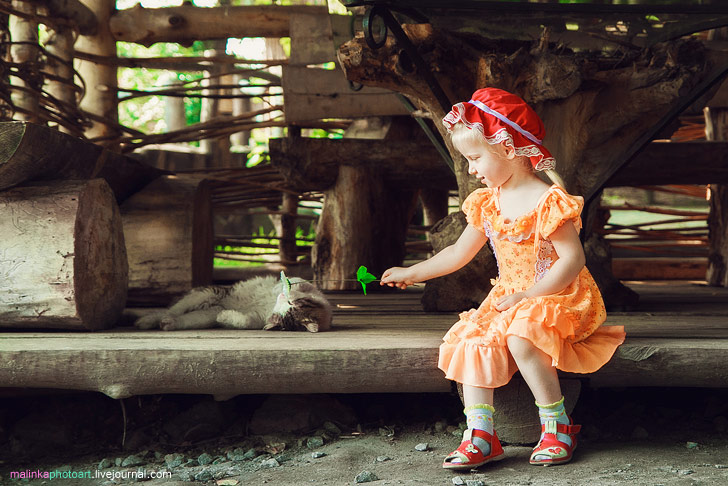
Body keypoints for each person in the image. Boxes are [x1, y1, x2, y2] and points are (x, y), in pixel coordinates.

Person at [380, 88, 626, 469]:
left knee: (520, 333)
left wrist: (530, 295)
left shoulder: (547, 201)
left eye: (475, 158)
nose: (471, 169)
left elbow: (573, 259)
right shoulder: (489, 202)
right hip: (510, 297)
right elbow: (457, 253)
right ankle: (481, 434)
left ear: (508, 148)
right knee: (473, 337)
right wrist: (412, 272)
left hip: (555, 294)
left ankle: (557, 426)